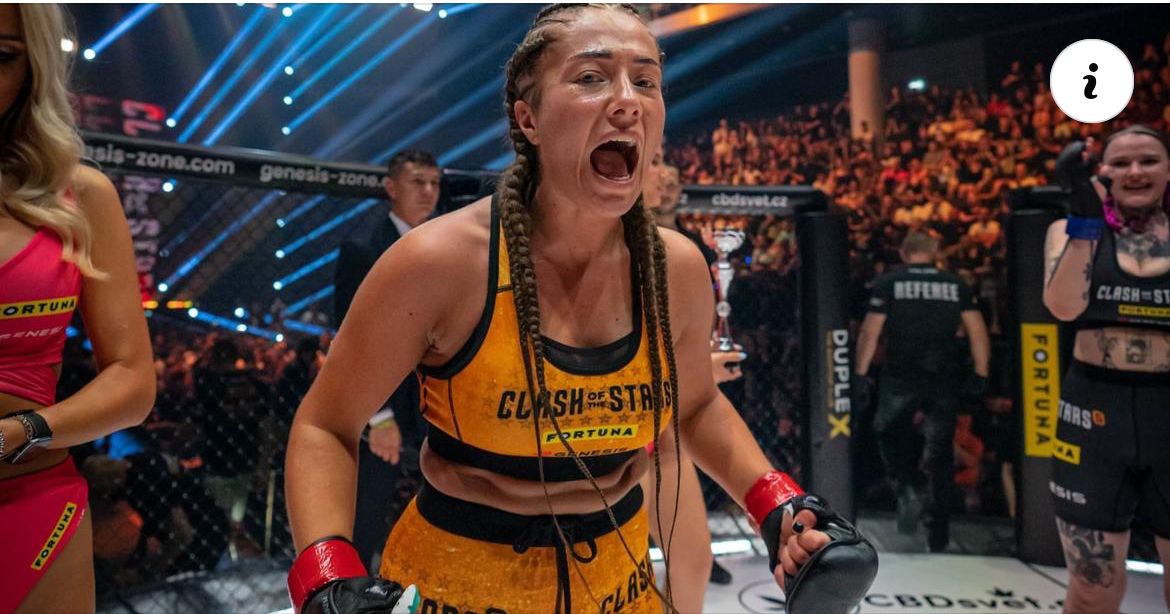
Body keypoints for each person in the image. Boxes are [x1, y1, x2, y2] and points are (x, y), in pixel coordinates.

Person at [286, 5, 876, 614]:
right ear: (529, 119)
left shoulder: (675, 267)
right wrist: (326, 579)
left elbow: (696, 405)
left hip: (620, 587)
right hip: (454, 588)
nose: (628, 102)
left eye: (645, 81)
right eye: (592, 77)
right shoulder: (439, 262)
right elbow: (324, 425)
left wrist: (777, 504)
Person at [0, 5, 155, 612]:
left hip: (31, 503)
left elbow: (132, 380)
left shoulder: (82, 197)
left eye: (2, 57)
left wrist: (22, 432)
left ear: (33, 68)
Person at [1042, 125, 1170, 614]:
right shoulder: (1069, 230)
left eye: (1148, 160)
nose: (1135, 171)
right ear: (1101, 173)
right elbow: (1064, 308)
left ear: (1168, 170)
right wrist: (1085, 223)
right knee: (1093, 592)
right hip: (1094, 415)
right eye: (1120, 163)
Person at [333, 149, 440, 571]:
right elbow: (349, 340)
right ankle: (352, 595)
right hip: (385, 405)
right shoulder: (362, 249)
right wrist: (378, 416)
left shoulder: (450, 242)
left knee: (440, 517)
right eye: (418, 182)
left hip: (439, 405)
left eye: (434, 182)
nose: (428, 191)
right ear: (391, 187)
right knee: (366, 518)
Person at [854, 231, 990, 552]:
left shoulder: (890, 282)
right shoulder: (955, 284)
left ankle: (906, 487)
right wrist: (981, 371)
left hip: (901, 372)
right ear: (936, 253)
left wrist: (859, 373)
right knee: (941, 450)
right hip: (943, 373)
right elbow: (977, 330)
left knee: (887, 431)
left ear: (904, 252)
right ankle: (939, 529)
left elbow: (871, 331)